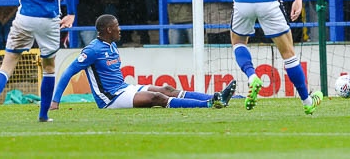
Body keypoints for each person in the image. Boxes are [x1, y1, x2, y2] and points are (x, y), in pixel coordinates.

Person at [50, 14, 236, 110]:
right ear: (108, 29)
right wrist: (55, 101)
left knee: (167, 89)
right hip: (110, 99)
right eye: (117, 27)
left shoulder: (111, 44)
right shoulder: (92, 50)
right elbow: (68, 72)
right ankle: (209, 104)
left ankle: (217, 96)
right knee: (157, 99)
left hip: (123, 88)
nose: (120, 30)